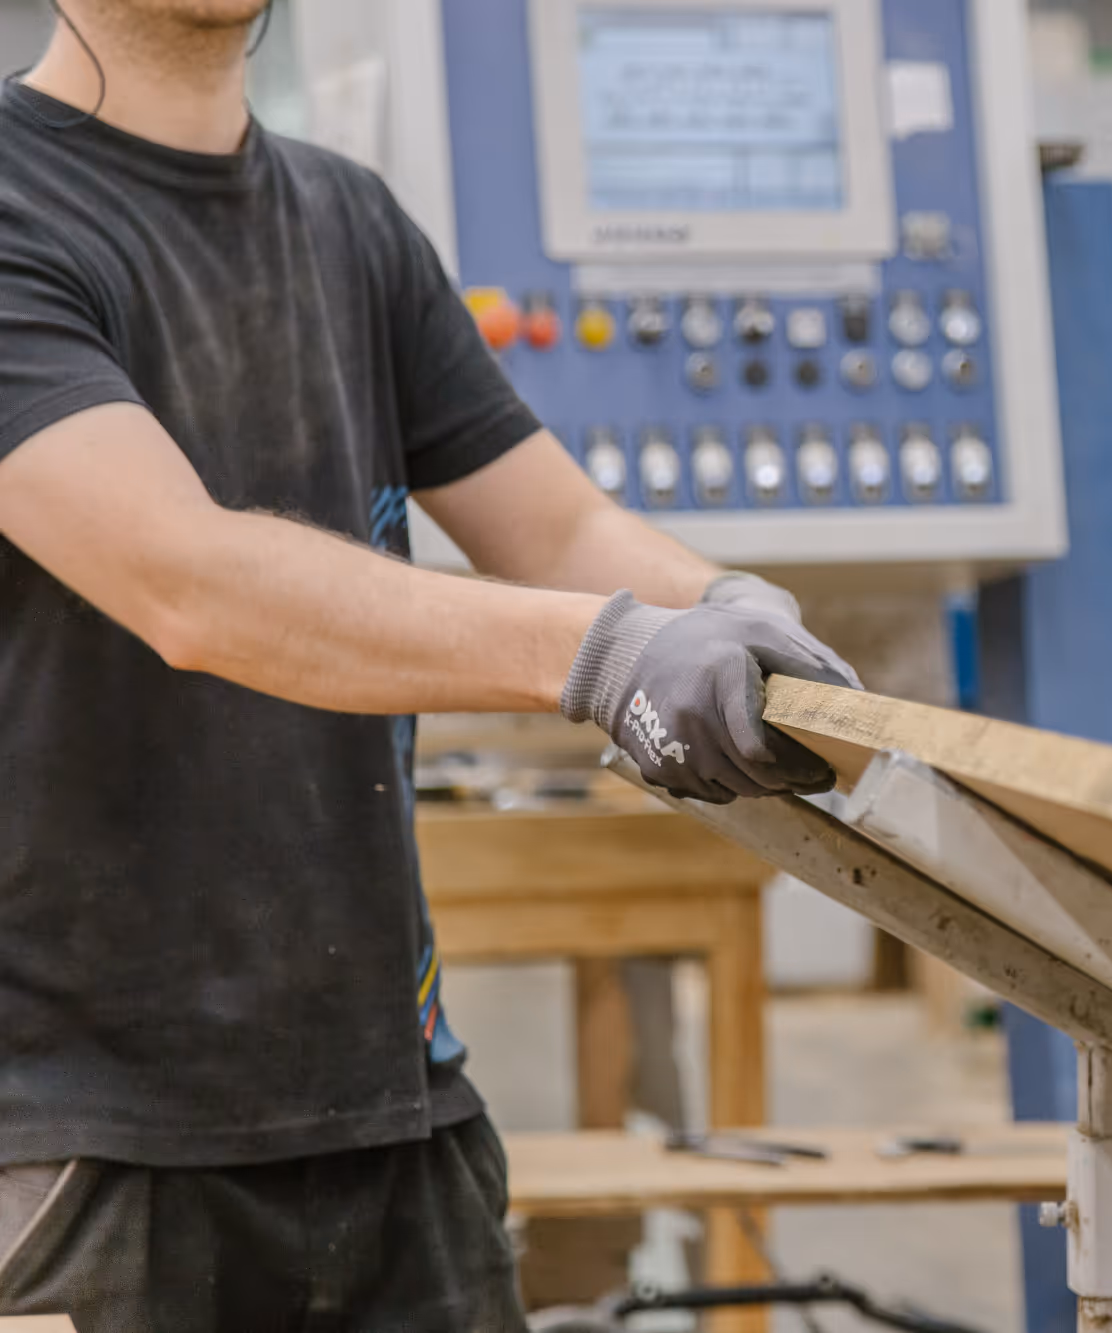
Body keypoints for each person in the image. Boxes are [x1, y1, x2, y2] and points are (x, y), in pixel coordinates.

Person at [0, 1, 859, 1327]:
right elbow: (186, 580)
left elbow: (558, 523)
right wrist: (606, 651)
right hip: (90, 1135)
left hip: (396, 1110)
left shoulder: (352, 219)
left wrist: (731, 611)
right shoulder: (13, 205)